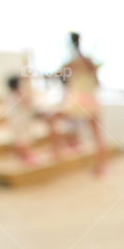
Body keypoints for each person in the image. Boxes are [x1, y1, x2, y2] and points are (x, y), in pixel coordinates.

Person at [50, 32, 106, 174]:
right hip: (91, 100)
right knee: (97, 135)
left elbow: (55, 76)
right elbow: (97, 83)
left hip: (77, 100)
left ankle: (57, 153)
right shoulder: (88, 61)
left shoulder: (71, 63)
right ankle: (100, 167)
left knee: (52, 119)